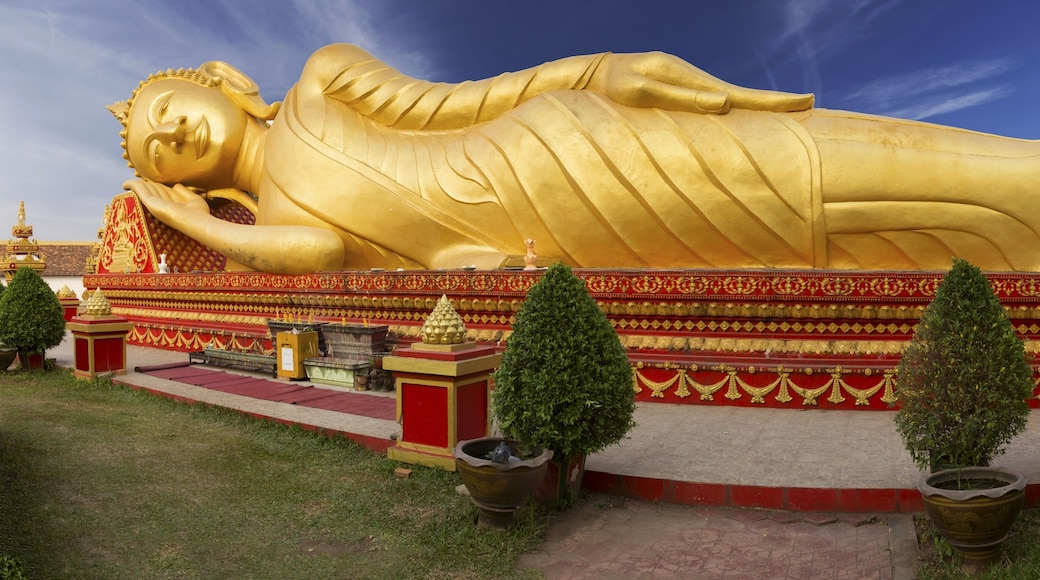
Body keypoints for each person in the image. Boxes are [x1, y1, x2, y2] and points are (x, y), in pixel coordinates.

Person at [110, 44, 1040, 274]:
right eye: (161, 152)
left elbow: (466, 102)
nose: (173, 133)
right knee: (798, 234)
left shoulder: (319, 82)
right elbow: (317, 256)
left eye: (168, 108)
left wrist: (603, 69)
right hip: (536, 235)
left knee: (788, 159)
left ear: (219, 80)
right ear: (174, 178)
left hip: (557, 143)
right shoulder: (277, 222)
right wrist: (193, 222)